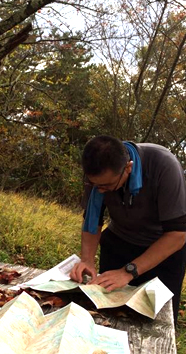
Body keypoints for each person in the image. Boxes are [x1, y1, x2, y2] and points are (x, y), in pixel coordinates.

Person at [70, 135, 186, 323]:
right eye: (95, 185)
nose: (99, 190)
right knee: (108, 312)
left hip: (163, 252)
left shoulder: (164, 166)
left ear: (128, 168)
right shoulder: (97, 174)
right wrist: (87, 260)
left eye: (106, 185)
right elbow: (93, 219)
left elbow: (177, 235)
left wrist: (128, 271)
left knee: (156, 320)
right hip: (119, 242)